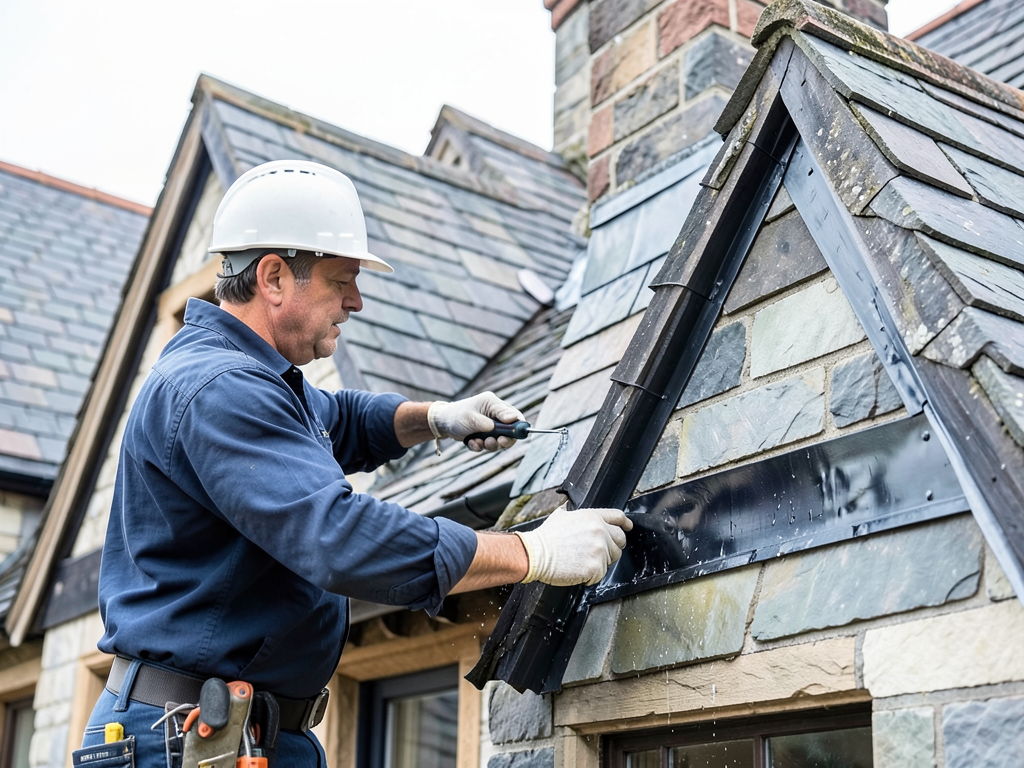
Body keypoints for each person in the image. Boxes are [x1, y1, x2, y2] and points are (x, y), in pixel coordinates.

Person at [79, 160, 632, 768]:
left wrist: (436, 417)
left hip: (240, 731)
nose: (357, 301)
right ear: (273, 277)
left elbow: (336, 419)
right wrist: (533, 553)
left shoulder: (249, 376)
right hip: (184, 737)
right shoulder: (219, 388)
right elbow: (339, 538)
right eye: (341, 280)